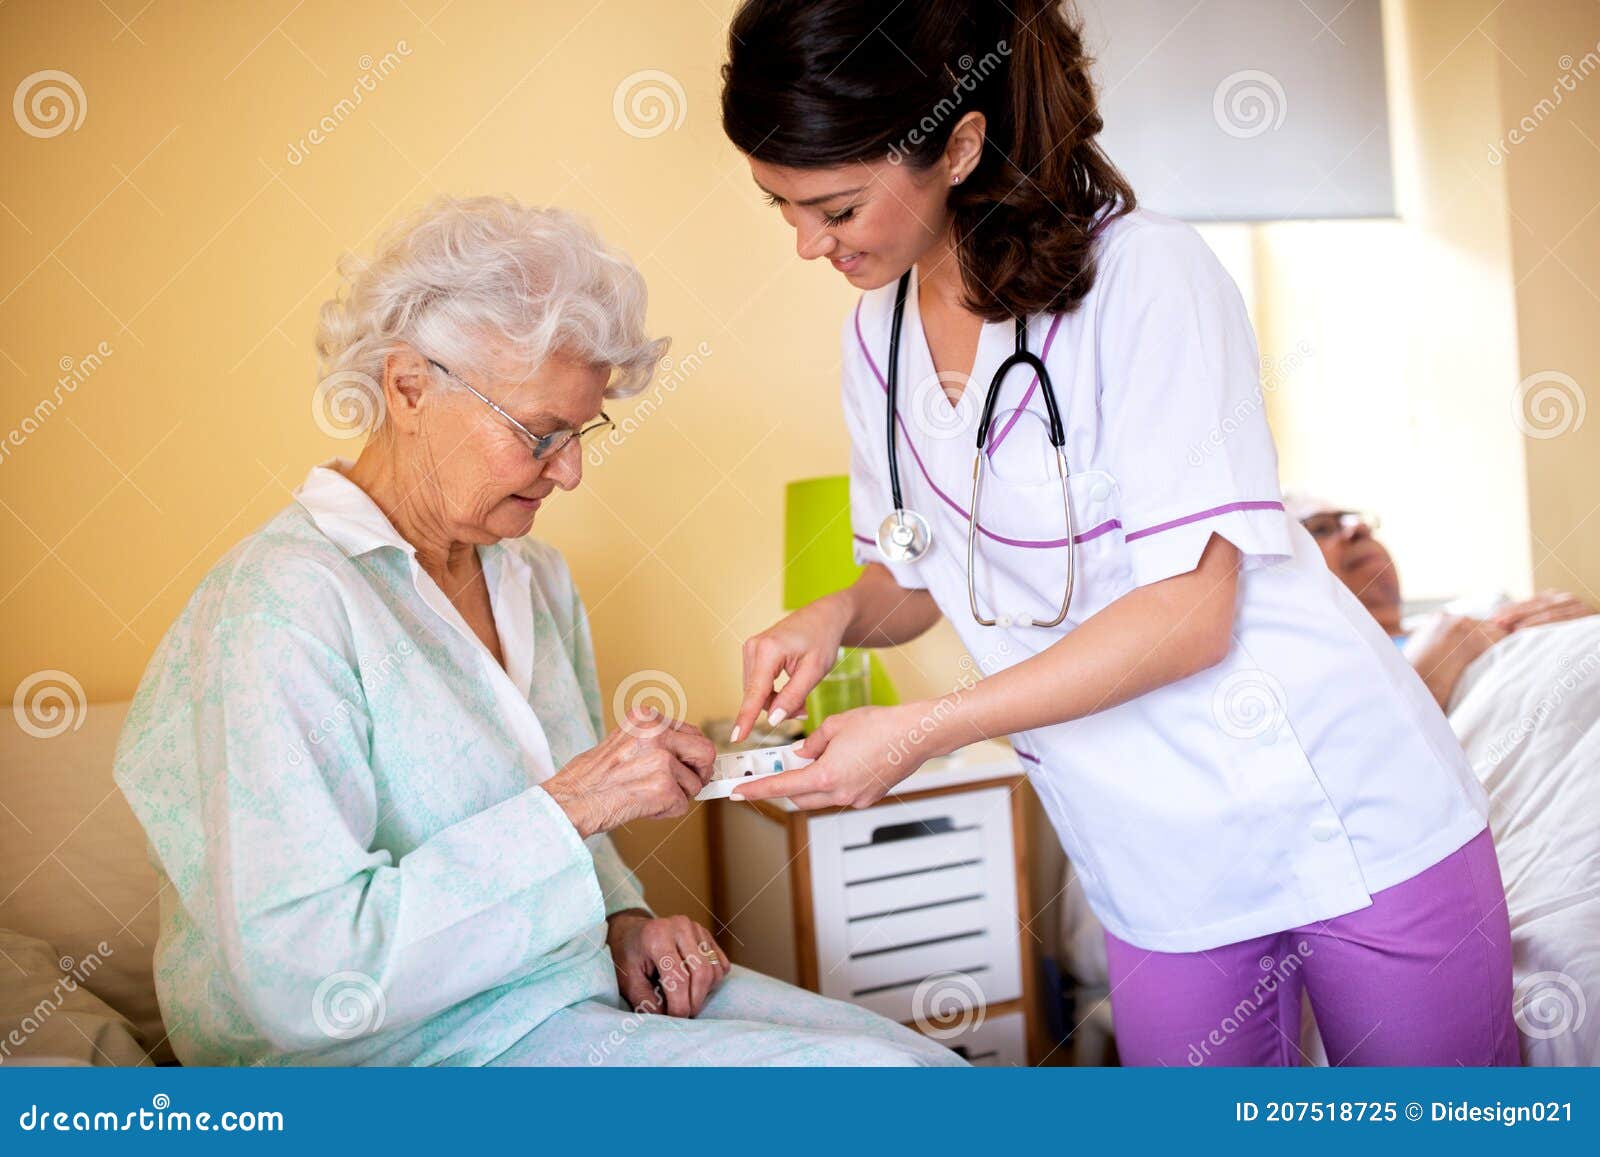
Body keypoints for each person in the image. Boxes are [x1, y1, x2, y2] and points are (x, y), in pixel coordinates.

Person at [717, 0, 1519, 1065]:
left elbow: (1189, 612)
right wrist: (831, 615)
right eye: (778, 208)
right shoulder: (881, 336)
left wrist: (923, 730)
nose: (807, 244)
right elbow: (921, 574)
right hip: (1149, 850)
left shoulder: (1144, 276)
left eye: (836, 207)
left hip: (1337, 805)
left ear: (957, 145)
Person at [113, 195, 963, 1068]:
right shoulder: (281, 604)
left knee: (928, 1068)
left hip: (565, 986)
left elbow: (570, 854)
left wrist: (622, 919)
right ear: (409, 387)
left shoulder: (532, 579)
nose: (572, 469)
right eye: (540, 433)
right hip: (400, 1053)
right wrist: (582, 798)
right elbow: (305, 977)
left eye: (582, 430)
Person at [1289, 495, 1597, 709]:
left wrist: (1577, 625)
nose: (1359, 528)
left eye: (1354, 520)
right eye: (1320, 528)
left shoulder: (1479, 610)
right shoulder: (1316, 679)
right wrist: (1423, 676)